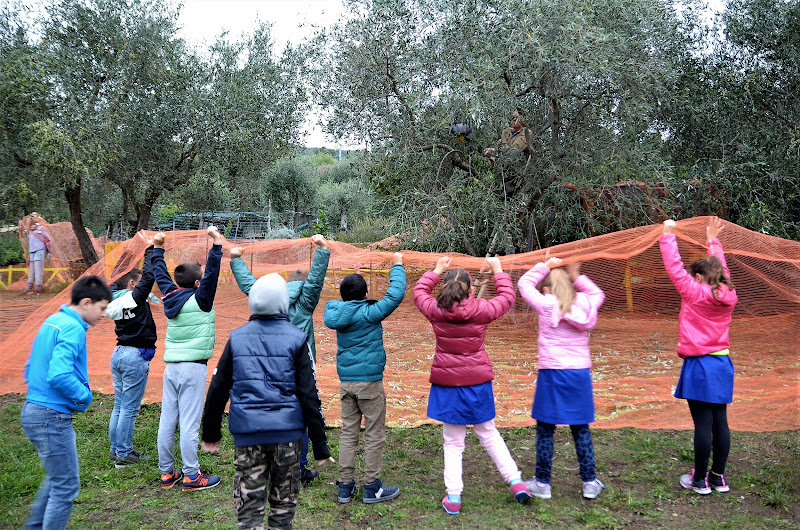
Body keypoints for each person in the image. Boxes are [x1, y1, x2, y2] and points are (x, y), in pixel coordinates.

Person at [201, 273, 335, 529]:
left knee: (249, 507)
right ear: (284, 302)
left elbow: (218, 387)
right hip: (287, 437)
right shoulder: (297, 338)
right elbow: (309, 394)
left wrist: (210, 432)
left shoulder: (237, 338)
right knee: (283, 506)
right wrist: (319, 444)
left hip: (248, 435)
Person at [413, 256, 531, 515]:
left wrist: (436, 270)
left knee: (453, 442)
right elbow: (507, 297)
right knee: (488, 433)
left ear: (444, 287)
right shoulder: (481, 310)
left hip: (447, 384)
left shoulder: (435, 310)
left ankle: (453, 497)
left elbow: (419, 291)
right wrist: (498, 270)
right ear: (469, 289)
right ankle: (516, 482)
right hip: (476, 382)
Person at [229, 234, 331, 486]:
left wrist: (235, 261)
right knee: (304, 413)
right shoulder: (306, 303)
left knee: (274, 409)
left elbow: (249, 286)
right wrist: (323, 251)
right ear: (304, 286)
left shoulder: (270, 300)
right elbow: (316, 280)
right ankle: (299, 467)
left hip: (268, 366)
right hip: (300, 367)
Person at [20, 275, 112, 529]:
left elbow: (30, 367)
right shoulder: (72, 327)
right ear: (86, 302)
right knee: (66, 485)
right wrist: (84, 397)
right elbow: (59, 374)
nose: (103, 315)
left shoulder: (53, 321)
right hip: (52, 416)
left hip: (33, 410)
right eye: (102, 308)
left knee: (57, 479)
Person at [517, 257, 606, 500]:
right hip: (579, 374)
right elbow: (598, 293)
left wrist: (545, 265)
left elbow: (524, 284)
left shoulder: (546, 304)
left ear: (546, 289)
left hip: (552, 372)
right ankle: (589, 482)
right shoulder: (586, 301)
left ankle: (542, 484)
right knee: (581, 428)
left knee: (545, 428)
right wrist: (577, 276)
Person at [660, 217, 737, 495]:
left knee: (703, 425)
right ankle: (718, 478)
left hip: (699, 365)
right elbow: (722, 270)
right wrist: (712, 240)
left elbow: (674, 267)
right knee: (721, 422)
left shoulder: (693, 292)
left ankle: (700, 480)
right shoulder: (729, 294)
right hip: (722, 364)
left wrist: (668, 233)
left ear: (698, 277)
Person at [323, 253, 406, 504]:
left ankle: (345, 487)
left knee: (348, 433)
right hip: (369, 383)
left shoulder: (337, 313)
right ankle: (372, 487)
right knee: (374, 433)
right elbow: (395, 295)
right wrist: (398, 265)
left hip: (346, 383)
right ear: (364, 293)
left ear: (342, 294)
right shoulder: (370, 313)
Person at [152, 226, 224, 491]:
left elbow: (160, 274)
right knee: (190, 424)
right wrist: (216, 245)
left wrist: (158, 248)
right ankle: (193, 476)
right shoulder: (201, 299)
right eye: (201, 279)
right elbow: (212, 275)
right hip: (193, 369)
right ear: (197, 284)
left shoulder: (170, 295)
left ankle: (167, 474)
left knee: (167, 421)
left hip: (171, 368)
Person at [105, 232, 158, 468]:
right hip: (133, 356)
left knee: (119, 405)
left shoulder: (113, 301)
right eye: (138, 284)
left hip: (118, 354)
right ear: (132, 284)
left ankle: (116, 450)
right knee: (129, 408)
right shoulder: (134, 299)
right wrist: (151, 251)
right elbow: (148, 278)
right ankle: (124, 453)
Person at [21, 213, 52, 297]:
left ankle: (38, 288)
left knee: (38, 270)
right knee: (32, 271)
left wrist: (49, 252)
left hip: (39, 251)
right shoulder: (30, 230)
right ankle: (29, 287)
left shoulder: (41, 228)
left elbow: (48, 240)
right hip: (32, 252)